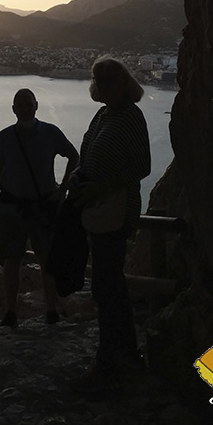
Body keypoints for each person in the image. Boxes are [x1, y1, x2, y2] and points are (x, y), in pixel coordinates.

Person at [67, 57, 151, 393]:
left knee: (105, 286)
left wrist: (104, 187)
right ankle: (126, 354)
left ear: (124, 82)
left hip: (116, 212)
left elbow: (142, 167)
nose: (102, 84)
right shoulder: (102, 115)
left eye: (110, 78)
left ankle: (108, 364)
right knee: (112, 285)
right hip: (98, 210)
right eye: (98, 78)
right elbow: (88, 155)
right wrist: (77, 175)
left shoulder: (131, 117)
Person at [0, 88, 79, 327]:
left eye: (29, 104)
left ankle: (50, 310)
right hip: (12, 208)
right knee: (12, 261)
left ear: (36, 106)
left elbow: (74, 156)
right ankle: (10, 312)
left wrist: (63, 189)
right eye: (21, 105)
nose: (26, 109)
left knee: (46, 260)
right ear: (14, 109)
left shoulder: (50, 132)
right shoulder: (5, 137)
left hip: (42, 207)